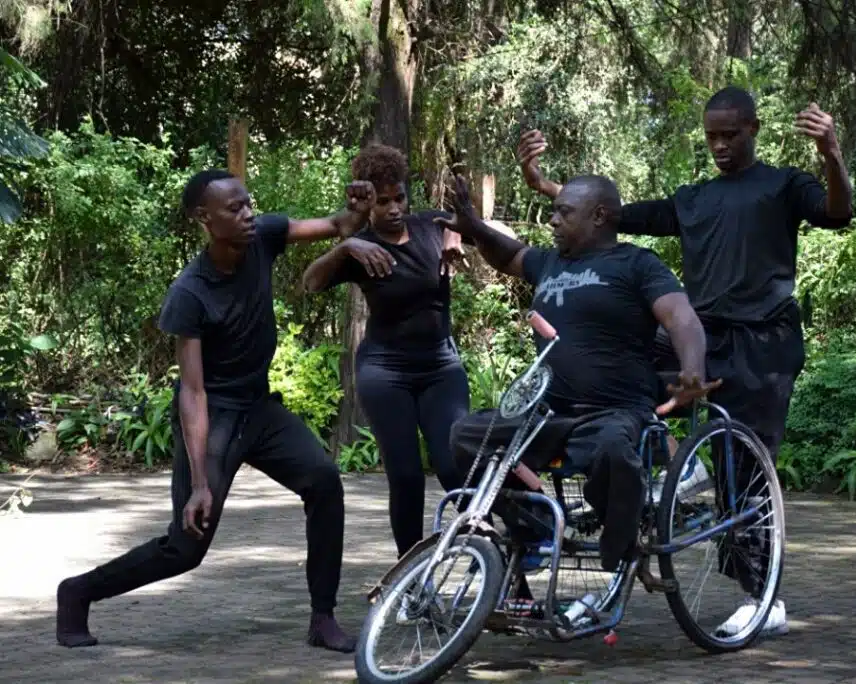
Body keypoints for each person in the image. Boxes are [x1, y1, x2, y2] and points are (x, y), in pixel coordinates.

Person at [516, 86, 854, 636]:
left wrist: (832, 153)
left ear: (753, 129)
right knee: (621, 387)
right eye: (711, 137)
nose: (719, 145)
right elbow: (613, 217)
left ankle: (764, 599)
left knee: (744, 471)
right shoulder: (693, 199)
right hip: (699, 335)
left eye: (730, 135)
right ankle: (664, 490)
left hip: (762, 342)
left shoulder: (783, 185)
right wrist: (548, 187)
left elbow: (837, 213)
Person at [55, 169, 366, 652]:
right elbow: (193, 393)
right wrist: (201, 484)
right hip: (215, 415)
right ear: (204, 218)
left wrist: (357, 211)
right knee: (186, 548)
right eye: (234, 209)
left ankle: (322, 618)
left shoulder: (262, 237)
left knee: (324, 481)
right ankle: (78, 592)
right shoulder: (190, 292)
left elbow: (335, 223)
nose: (248, 215)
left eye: (248, 204)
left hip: (259, 408)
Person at [436, 173, 716, 573]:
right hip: (547, 413)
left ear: (599, 216)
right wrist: (473, 225)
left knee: (615, 453)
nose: (552, 220)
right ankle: (534, 529)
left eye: (562, 212)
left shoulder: (637, 263)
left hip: (614, 411)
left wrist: (692, 369)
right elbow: (508, 254)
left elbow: (681, 317)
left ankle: (619, 544)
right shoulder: (549, 261)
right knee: (466, 437)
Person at [302, 144, 471, 559]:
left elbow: (470, 226)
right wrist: (345, 247)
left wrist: (457, 234)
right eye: (382, 201)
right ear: (369, 203)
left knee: (456, 465)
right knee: (407, 475)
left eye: (399, 197)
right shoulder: (361, 247)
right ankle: (409, 573)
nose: (394, 208)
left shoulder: (432, 225)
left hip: (439, 366)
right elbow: (310, 282)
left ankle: (498, 565)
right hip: (385, 371)